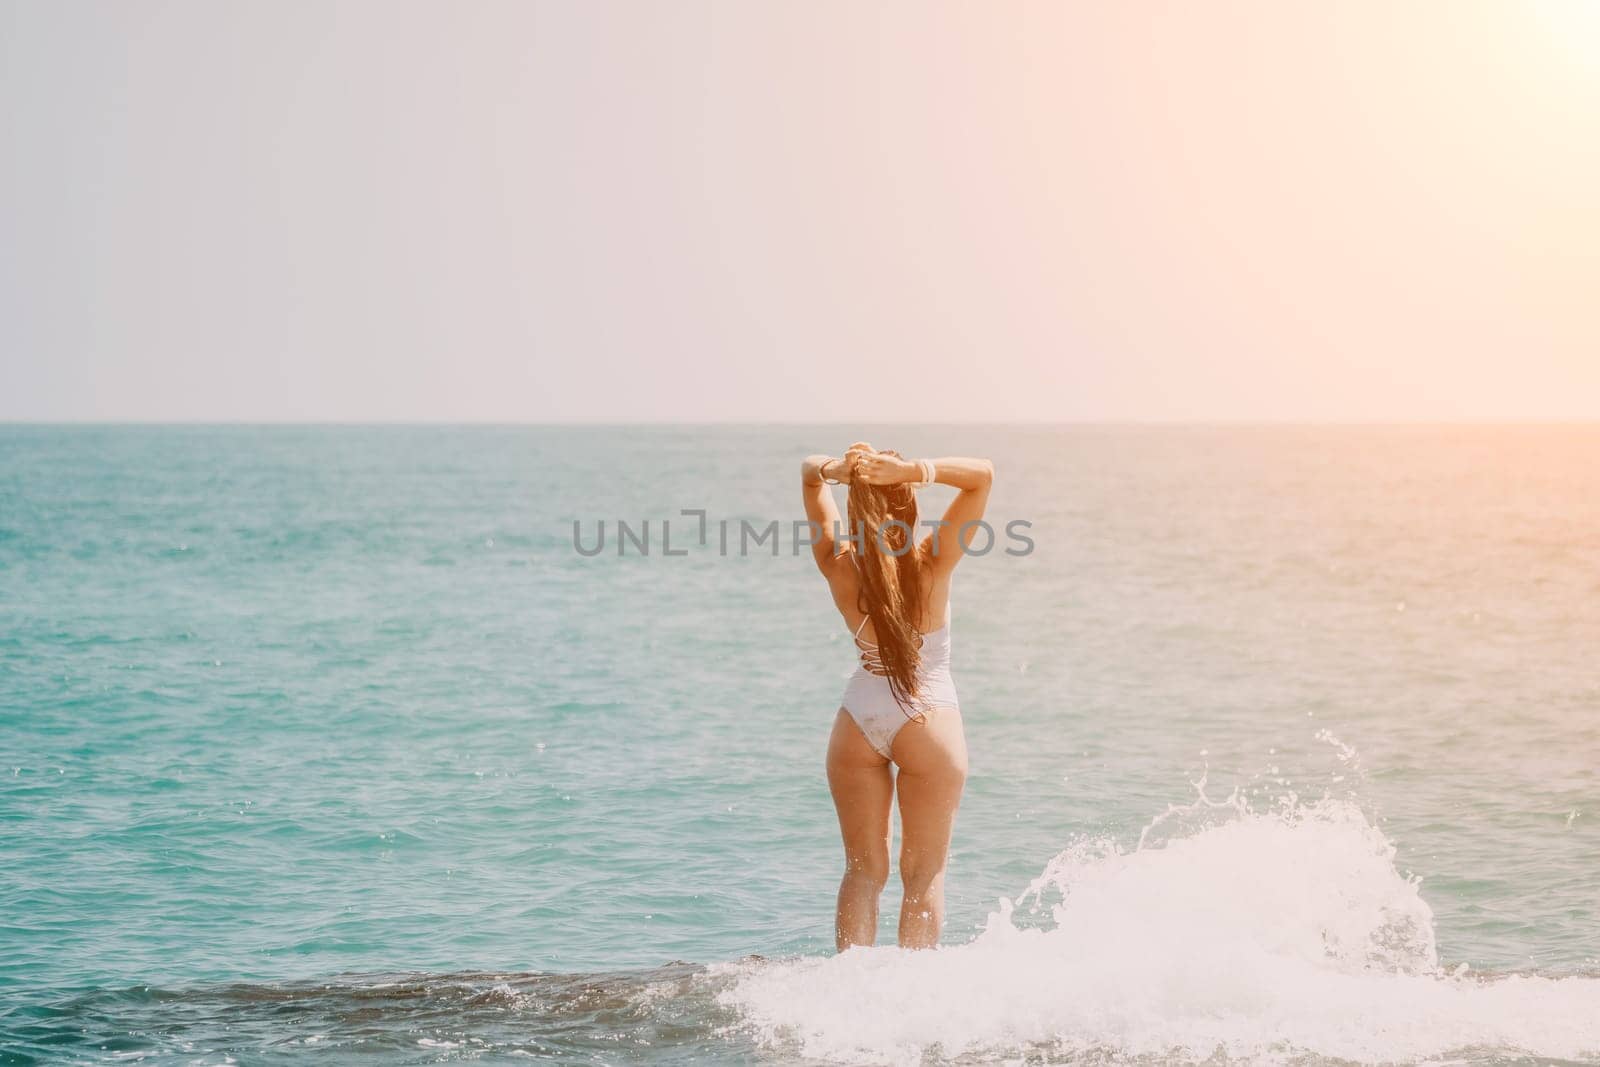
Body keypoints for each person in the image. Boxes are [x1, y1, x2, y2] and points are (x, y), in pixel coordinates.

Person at [799, 442, 994, 950]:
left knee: (862, 872)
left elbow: (807, 475)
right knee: (923, 876)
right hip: (928, 717)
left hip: (858, 720)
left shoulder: (839, 566)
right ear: (910, 506)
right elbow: (982, 476)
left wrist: (835, 471)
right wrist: (913, 469)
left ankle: (851, 994)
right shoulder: (932, 561)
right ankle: (911, 1004)